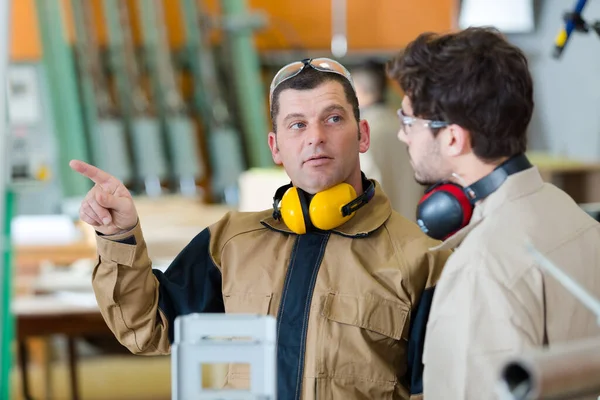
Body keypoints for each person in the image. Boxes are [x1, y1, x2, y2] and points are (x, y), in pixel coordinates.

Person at [70, 57, 452, 400]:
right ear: (275, 146)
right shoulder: (230, 242)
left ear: (362, 134)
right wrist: (119, 235)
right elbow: (147, 329)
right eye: (297, 124)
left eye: (333, 118)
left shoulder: (422, 258)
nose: (315, 136)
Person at [386, 27, 600, 399]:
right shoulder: (577, 220)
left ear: (453, 138)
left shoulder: (482, 267)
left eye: (409, 122)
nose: (403, 135)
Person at [351, 59, 424, 221]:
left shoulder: (362, 136)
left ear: (360, 91)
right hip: (413, 230)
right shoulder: (405, 129)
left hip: (378, 232)